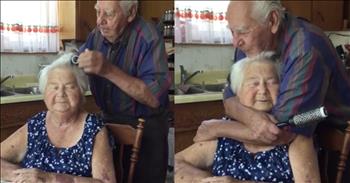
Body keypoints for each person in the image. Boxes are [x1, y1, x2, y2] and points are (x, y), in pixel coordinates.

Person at [195, 0, 350, 167]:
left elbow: (283, 130)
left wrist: (217, 128)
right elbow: (230, 94)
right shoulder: (248, 43)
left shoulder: (306, 48)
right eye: (232, 32)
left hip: (335, 137)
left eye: (242, 32)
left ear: (273, 21)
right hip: (292, 136)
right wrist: (252, 118)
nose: (235, 42)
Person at [175, 53, 319, 183]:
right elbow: (177, 163)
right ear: (237, 92)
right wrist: (206, 180)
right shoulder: (225, 133)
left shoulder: (295, 134)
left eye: (271, 82)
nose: (262, 90)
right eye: (254, 83)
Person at [76, 1, 171, 182]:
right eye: (98, 12)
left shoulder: (148, 37)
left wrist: (107, 70)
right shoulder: (96, 35)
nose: (99, 21)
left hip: (146, 126)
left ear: (131, 12)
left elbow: (153, 98)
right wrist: (71, 62)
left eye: (109, 15)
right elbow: (76, 59)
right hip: (108, 122)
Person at [0, 53, 116, 183]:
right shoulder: (37, 124)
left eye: (69, 87)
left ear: (81, 91)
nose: (61, 94)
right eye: (54, 87)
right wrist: (18, 176)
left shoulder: (94, 129)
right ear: (44, 92)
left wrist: (51, 178)